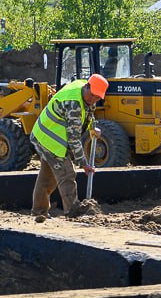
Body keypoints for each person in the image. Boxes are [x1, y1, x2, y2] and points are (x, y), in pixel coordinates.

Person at [31, 74, 106, 222]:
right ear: (87, 87)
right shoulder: (74, 104)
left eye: (97, 98)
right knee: (67, 174)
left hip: (44, 135)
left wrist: (92, 128)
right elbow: (73, 138)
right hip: (49, 138)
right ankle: (74, 215)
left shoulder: (86, 92)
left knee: (48, 178)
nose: (93, 100)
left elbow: (89, 112)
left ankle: (39, 212)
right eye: (92, 95)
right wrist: (83, 163)